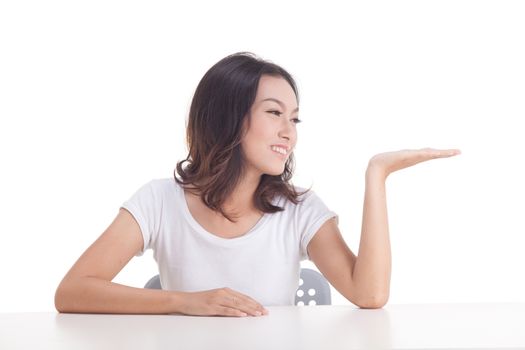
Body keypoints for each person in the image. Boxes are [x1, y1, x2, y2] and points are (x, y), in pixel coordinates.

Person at [54, 52, 461, 317]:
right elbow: (72, 291)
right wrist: (183, 302)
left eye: (294, 119)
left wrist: (376, 175)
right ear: (228, 118)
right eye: (274, 113)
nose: (289, 132)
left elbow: (369, 294)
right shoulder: (159, 200)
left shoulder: (300, 209)